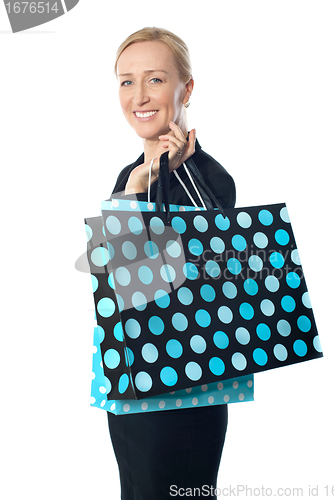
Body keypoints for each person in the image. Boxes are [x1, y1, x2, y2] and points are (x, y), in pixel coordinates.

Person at [107, 27, 238, 500]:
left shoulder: (209, 178)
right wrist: (135, 190)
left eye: (155, 80)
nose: (138, 96)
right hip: (131, 383)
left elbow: (215, 277)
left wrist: (162, 182)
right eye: (126, 81)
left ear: (187, 89)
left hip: (183, 392)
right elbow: (117, 283)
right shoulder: (133, 174)